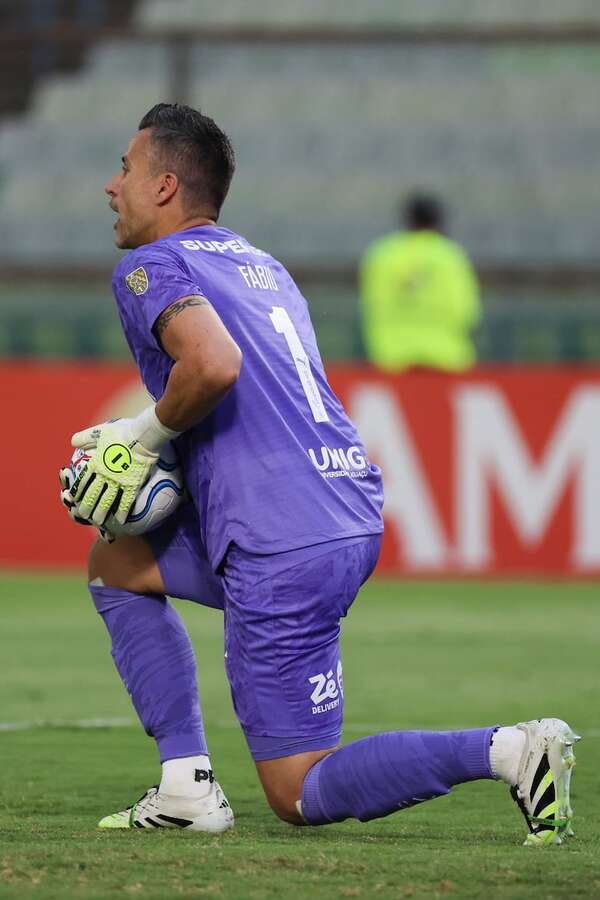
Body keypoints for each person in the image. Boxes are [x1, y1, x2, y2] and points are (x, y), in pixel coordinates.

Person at [61, 104, 578, 845]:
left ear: (166, 185)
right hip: (340, 506)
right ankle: (185, 787)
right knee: (117, 562)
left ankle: (510, 750)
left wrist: (142, 438)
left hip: (280, 538)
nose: (112, 186)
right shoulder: (262, 266)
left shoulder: (150, 265)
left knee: (299, 789)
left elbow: (213, 365)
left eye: (124, 168)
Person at [359, 193, 481, 371]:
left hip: (391, 359)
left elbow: (372, 306)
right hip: (446, 358)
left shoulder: (382, 254)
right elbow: (466, 311)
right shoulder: (450, 255)